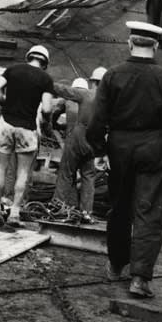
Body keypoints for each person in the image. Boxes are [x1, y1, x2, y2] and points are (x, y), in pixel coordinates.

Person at [87, 21, 162, 299]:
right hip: (154, 149)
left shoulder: (112, 76)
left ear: (129, 43)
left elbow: (96, 118)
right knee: (149, 212)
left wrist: (99, 150)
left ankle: (115, 266)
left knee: (120, 207)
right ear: (156, 45)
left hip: (119, 148)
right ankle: (139, 278)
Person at [0, 44, 56, 226]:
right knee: (23, 171)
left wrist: (5, 103)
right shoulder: (46, 79)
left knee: (1, 167)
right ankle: (14, 214)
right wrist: (47, 121)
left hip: (6, 123)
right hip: (27, 127)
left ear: (28, 57)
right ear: (45, 63)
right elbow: (47, 108)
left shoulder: (12, 69)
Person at [49, 68, 107, 224]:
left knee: (66, 173)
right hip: (94, 143)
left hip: (77, 138)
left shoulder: (87, 94)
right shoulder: (109, 101)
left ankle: (57, 207)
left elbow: (64, 90)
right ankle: (86, 212)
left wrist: (45, 82)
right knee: (88, 176)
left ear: (93, 82)